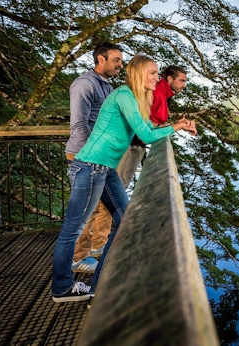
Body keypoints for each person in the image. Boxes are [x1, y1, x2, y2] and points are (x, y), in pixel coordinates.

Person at [52, 54, 197, 302]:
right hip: (90, 166)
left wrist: (177, 123)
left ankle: (101, 285)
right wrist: (178, 127)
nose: (156, 77)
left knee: (124, 220)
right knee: (72, 230)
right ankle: (62, 288)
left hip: (104, 169)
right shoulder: (124, 94)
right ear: (139, 73)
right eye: (152, 73)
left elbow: (149, 130)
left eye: (157, 73)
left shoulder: (137, 99)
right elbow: (147, 135)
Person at [66, 42, 123, 274]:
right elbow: (79, 125)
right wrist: (94, 154)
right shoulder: (84, 84)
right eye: (116, 60)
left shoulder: (107, 87)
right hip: (85, 158)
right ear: (101, 59)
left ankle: (96, 250)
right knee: (83, 215)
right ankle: (75, 261)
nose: (121, 64)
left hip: (101, 159)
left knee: (108, 210)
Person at [116, 65, 190, 187]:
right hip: (132, 145)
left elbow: (153, 123)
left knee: (119, 184)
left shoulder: (164, 95)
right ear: (170, 79)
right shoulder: (155, 93)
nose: (184, 85)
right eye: (182, 81)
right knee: (119, 184)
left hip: (137, 143)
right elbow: (142, 120)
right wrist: (177, 126)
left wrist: (178, 125)